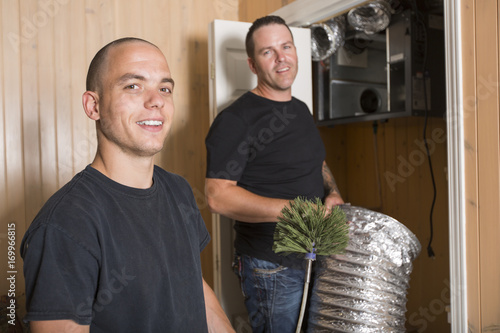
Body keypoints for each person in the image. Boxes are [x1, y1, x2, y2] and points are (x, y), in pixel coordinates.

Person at [21, 37, 234, 333]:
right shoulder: (65, 224)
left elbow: (193, 287)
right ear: (93, 105)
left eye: (164, 88)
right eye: (133, 86)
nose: (156, 100)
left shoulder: (179, 191)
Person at [204, 15, 344, 333]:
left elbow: (316, 162)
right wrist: (294, 211)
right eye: (268, 52)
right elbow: (217, 196)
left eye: (286, 46)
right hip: (273, 265)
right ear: (253, 65)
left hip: (316, 252)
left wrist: (332, 191)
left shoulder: (300, 109)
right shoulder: (236, 120)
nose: (282, 57)